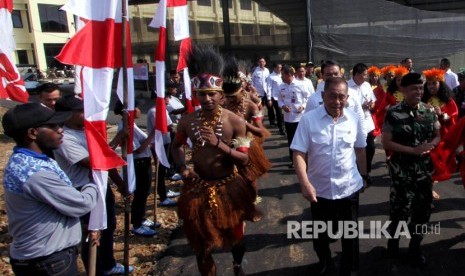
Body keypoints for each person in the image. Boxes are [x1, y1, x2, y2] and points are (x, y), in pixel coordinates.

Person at [172, 45, 259, 275]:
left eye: (212, 94)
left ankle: (237, 264)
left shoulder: (236, 122)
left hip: (230, 186)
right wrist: (182, 167)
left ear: (221, 95)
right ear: (195, 95)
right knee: (200, 242)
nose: (208, 99)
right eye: (203, 94)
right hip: (198, 186)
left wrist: (220, 145)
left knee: (236, 236)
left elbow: (244, 158)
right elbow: (176, 147)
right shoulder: (187, 122)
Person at [2, 102, 98, 275]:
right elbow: (81, 204)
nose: (60, 130)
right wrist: (93, 182)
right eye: (53, 126)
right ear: (32, 133)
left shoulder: (27, 161)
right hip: (49, 261)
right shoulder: (36, 173)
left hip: (39, 257)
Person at [291, 77, 367, 275]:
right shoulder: (308, 120)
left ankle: (350, 267)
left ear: (347, 98)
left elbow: (360, 149)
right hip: (320, 190)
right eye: (332, 96)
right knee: (321, 232)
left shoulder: (353, 118)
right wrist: (304, 182)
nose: (337, 101)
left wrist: (365, 175)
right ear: (323, 96)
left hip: (349, 187)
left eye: (342, 97)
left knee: (349, 233)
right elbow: (298, 153)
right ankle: (324, 261)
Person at [53, 95, 133, 275]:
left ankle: (108, 264)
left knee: (108, 225)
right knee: (93, 233)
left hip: (101, 187)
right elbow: (95, 162)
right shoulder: (65, 138)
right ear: (66, 115)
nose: (84, 114)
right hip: (82, 190)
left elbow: (107, 163)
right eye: (79, 111)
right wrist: (116, 140)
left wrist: (120, 184)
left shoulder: (89, 130)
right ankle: (95, 268)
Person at [382, 73, 441, 269]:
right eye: (414, 88)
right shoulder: (393, 112)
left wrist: (431, 144)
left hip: (424, 172)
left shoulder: (429, 111)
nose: (418, 92)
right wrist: (413, 151)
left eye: (421, 88)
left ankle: (415, 248)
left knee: (423, 211)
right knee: (399, 210)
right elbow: (386, 142)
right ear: (403, 90)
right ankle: (393, 244)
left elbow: (438, 134)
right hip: (402, 171)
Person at [110, 100, 158, 237]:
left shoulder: (133, 125)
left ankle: (141, 218)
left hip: (144, 162)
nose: (138, 110)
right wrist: (153, 134)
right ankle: (137, 224)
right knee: (140, 193)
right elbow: (137, 149)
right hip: (138, 163)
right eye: (136, 107)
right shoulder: (125, 127)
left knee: (145, 192)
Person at [146, 96, 180, 207]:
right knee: (160, 170)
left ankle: (165, 191)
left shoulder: (164, 110)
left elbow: (169, 125)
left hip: (166, 141)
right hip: (158, 143)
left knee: (165, 167)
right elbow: (161, 127)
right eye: (166, 98)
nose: (168, 101)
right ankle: (162, 196)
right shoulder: (153, 111)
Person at [348, 63, 377, 183]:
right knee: (356, 149)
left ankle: (366, 170)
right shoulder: (347, 87)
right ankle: (356, 172)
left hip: (367, 120)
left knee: (370, 147)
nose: (365, 77)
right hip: (353, 122)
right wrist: (361, 106)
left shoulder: (366, 85)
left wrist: (371, 105)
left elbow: (373, 100)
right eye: (364, 75)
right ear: (356, 74)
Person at [278, 65, 310, 168]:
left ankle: (305, 160)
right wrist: (283, 106)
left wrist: (303, 106)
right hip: (288, 118)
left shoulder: (300, 85)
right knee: (291, 140)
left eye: (282, 74)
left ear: (288, 75)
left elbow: (308, 97)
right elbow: (279, 100)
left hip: (300, 118)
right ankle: (294, 161)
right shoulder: (281, 86)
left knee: (301, 140)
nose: (281, 76)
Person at [251, 56, 273, 125]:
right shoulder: (255, 71)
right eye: (260, 62)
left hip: (266, 91)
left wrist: (269, 93)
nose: (261, 63)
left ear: (265, 63)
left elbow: (269, 82)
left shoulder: (267, 70)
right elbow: (252, 82)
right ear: (258, 63)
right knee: (259, 107)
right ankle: (260, 121)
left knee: (270, 106)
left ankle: (272, 121)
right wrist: (254, 92)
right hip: (258, 93)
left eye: (263, 62)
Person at [266, 62, 285, 135]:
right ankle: (281, 128)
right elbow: (269, 88)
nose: (280, 69)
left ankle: (284, 125)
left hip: (285, 96)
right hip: (275, 97)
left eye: (280, 67)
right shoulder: (270, 76)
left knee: (285, 113)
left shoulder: (283, 75)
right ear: (274, 68)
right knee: (279, 113)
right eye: (278, 67)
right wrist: (269, 99)